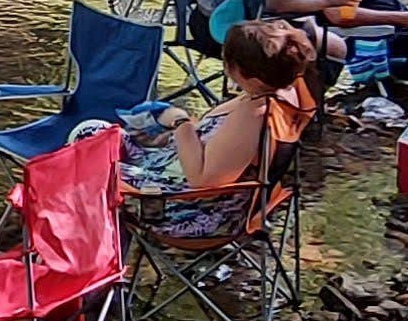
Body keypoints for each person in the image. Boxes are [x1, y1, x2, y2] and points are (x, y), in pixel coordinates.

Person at [125, 20, 312, 237]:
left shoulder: (254, 114)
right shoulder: (282, 93)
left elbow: (202, 182)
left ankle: (97, 259)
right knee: (96, 134)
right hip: (175, 177)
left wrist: (180, 122)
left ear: (243, 73)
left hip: (186, 210)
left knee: (88, 170)